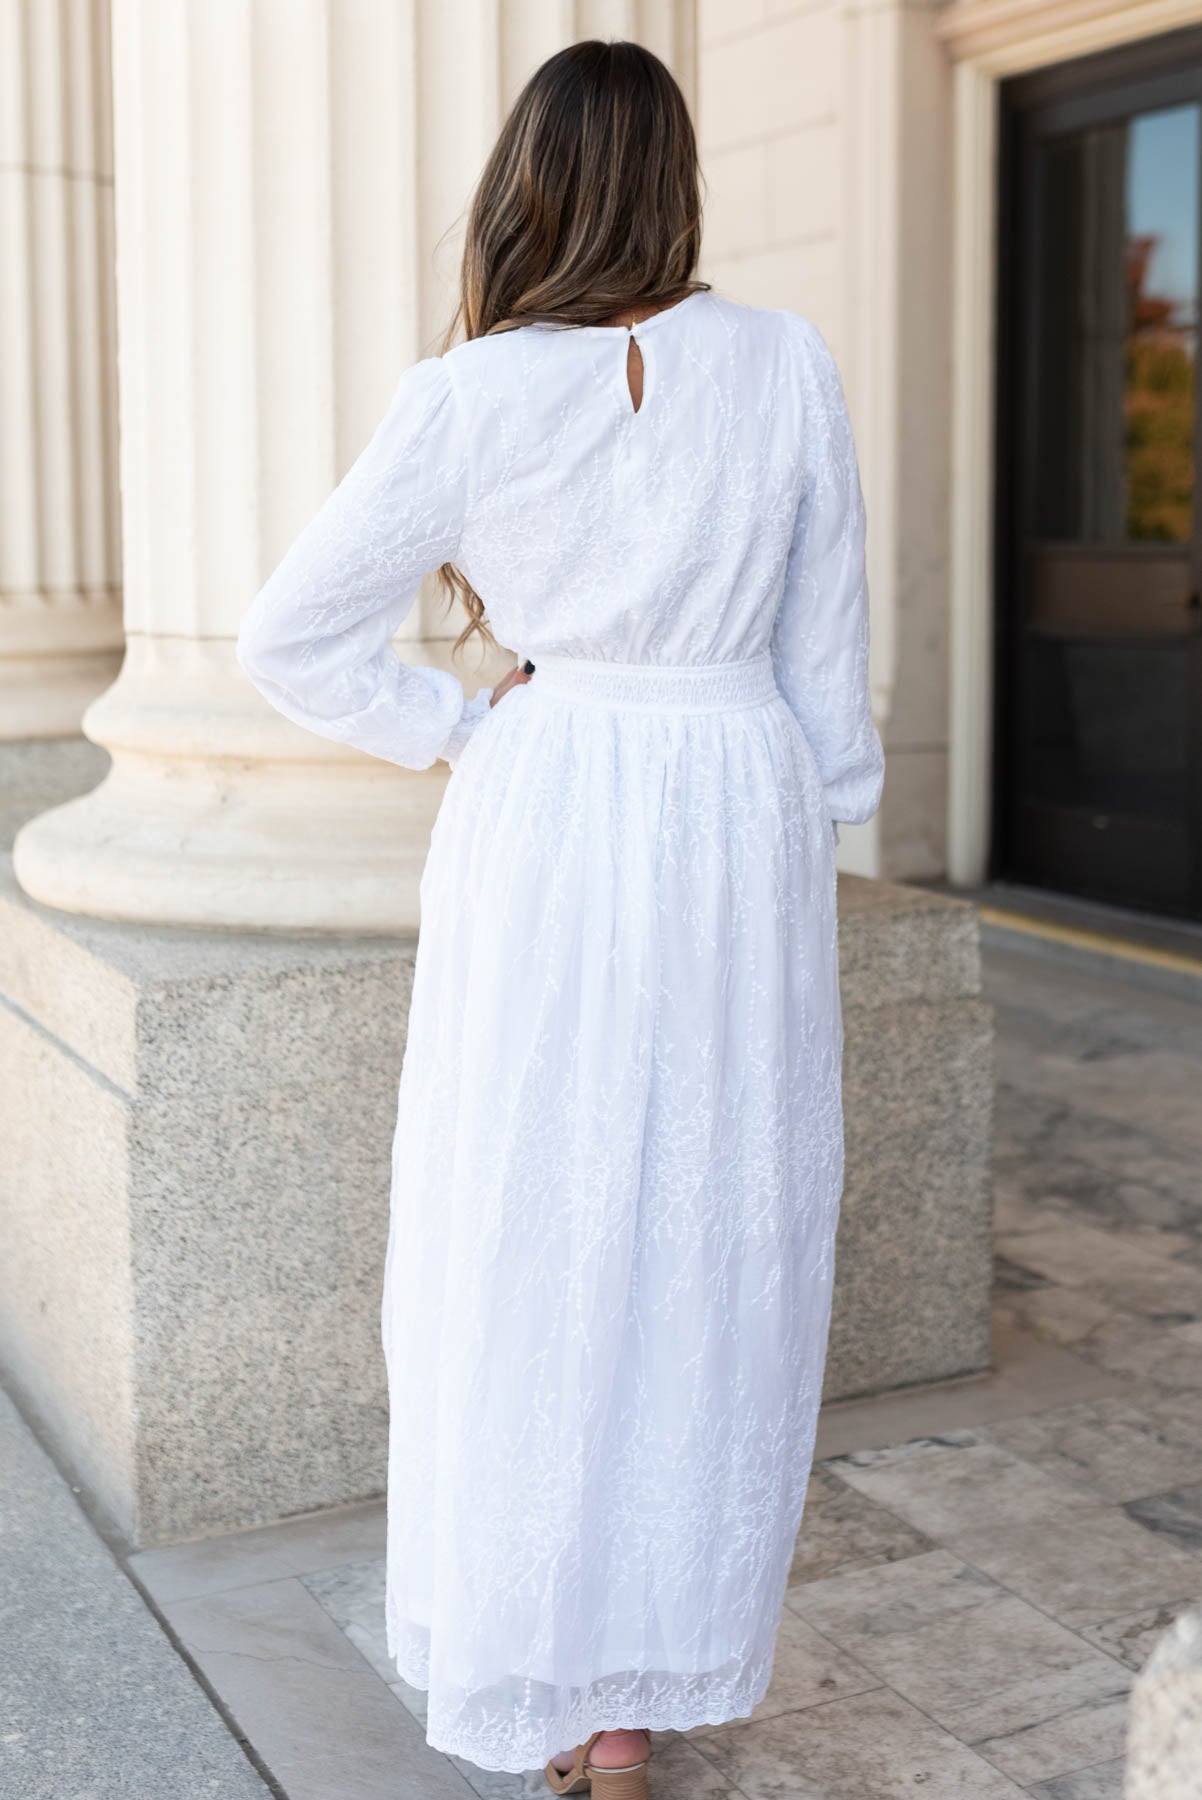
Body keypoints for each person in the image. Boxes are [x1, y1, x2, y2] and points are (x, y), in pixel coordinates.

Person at [236, 37, 884, 1795]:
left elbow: (288, 636)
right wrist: (818, 807)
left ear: (523, 182)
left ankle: (548, 1676)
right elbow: (830, 657)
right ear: (675, 180)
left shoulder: (467, 395)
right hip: (735, 806)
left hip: (553, 802)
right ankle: (630, 1710)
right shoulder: (789, 365)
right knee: (712, 1242)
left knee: (530, 1223)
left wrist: (462, 727)